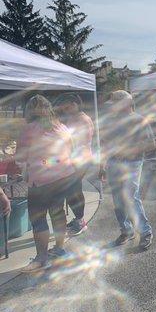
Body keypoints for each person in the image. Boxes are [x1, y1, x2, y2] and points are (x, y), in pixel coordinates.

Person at [17, 95, 77, 272]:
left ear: (29, 110)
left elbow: (21, 155)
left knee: (39, 219)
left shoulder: (29, 129)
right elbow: (71, 150)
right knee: (58, 214)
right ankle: (59, 249)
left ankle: (42, 258)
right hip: (62, 178)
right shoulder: (61, 126)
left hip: (40, 181)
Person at [100, 90, 156, 250]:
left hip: (132, 163)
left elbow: (151, 145)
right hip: (113, 163)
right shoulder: (112, 121)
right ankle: (126, 230)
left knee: (131, 197)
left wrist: (127, 151)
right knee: (118, 199)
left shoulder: (138, 120)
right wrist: (102, 163)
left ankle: (145, 232)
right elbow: (105, 144)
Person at [54, 93, 94, 236]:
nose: (65, 109)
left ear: (74, 104)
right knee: (73, 190)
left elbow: (75, 141)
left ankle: (81, 221)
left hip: (80, 159)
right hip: (74, 159)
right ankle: (78, 218)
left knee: (73, 190)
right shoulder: (74, 118)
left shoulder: (83, 120)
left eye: (67, 107)